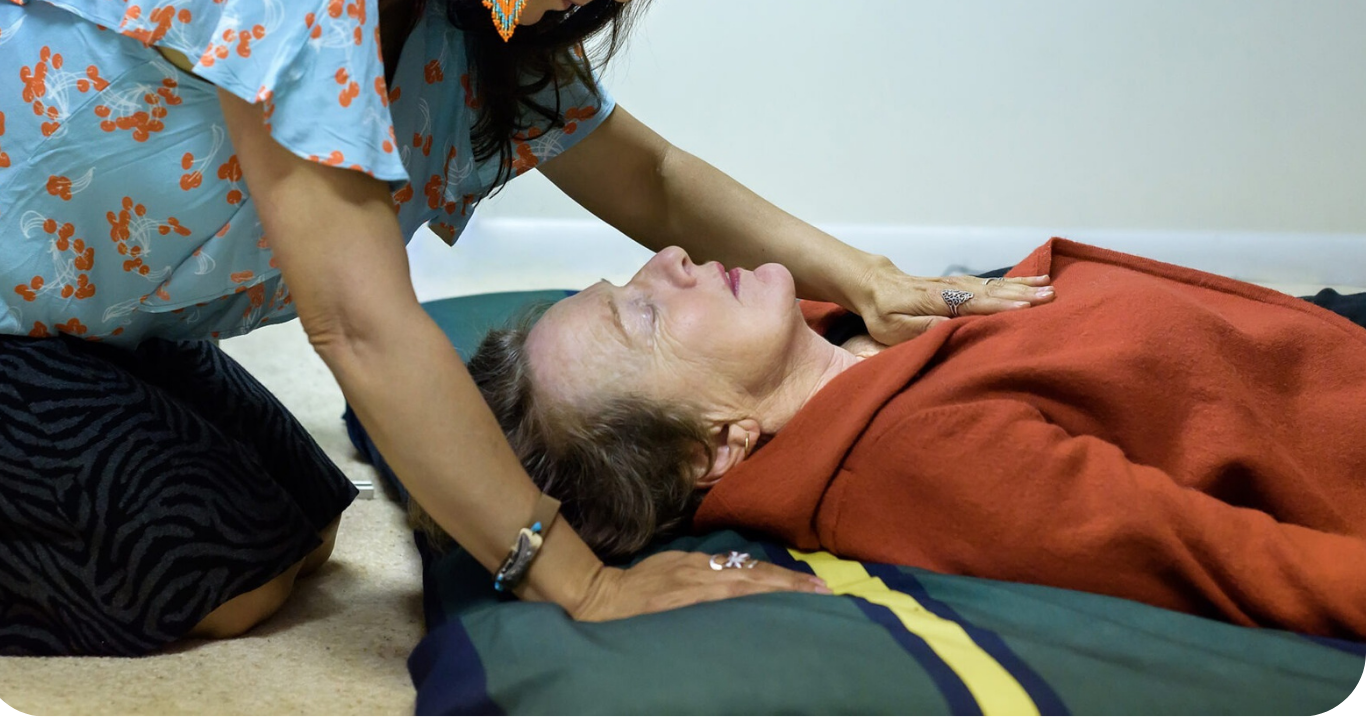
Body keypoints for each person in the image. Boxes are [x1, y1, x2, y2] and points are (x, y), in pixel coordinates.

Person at [0, 0, 1056, 656]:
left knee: (308, 521)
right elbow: (356, 321)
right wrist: (583, 583)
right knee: (225, 577)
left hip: (83, 324)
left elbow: (650, 175)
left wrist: (873, 280)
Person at [425, 238, 1367, 641]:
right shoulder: (926, 464)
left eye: (631, 278)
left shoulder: (845, 332)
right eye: (644, 317)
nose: (667, 261)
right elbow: (1240, 564)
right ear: (714, 448)